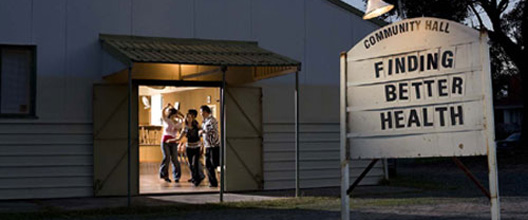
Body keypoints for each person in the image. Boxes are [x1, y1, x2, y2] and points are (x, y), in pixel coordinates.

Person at [171, 109, 205, 186]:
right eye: (188, 117)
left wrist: (202, 143)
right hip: (189, 148)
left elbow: (202, 132)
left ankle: (196, 179)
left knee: (195, 163)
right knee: (190, 164)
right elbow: (179, 138)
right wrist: (171, 140)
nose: (189, 118)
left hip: (196, 147)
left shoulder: (196, 125)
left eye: (190, 117)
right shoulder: (185, 128)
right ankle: (194, 177)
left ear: (193, 118)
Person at [159, 104, 184, 183]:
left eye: (175, 114)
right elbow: (162, 113)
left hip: (174, 142)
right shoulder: (167, 120)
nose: (174, 116)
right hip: (165, 141)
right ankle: (164, 175)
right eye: (173, 114)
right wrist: (166, 107)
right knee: (166, 158)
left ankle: (176, 177)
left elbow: (184, 119)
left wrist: (179, 113)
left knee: (175, 159)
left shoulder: (179, 123)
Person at [199, 105, 220, 187]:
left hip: (214, 146)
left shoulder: (212, 120)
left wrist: (203, 131)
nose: (201, 114)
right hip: (207, 146)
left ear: (205, 112)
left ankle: (215, 181)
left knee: (213, 164)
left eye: (201, 112)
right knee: (208, 165)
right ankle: (212, 182)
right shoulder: (205, 121)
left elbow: (212, 130)